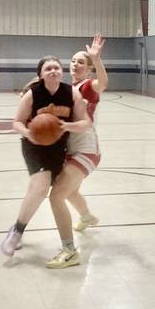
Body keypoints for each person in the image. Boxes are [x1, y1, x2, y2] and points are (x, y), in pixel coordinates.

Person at [1, 56, 91, 262]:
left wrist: (68, 126)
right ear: (40, 74)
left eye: (56, 67)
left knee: (41, 189)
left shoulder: (72, 93)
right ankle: (17, 232)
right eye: (48, 68)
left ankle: (86, 216)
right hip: (33, 145)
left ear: (61, 72)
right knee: (41, 186)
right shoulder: (32, 94)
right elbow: (16, 122)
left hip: (58, 148)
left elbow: (85, 122)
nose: (53, 71)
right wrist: (28, 133)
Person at [47, 35, 107, 268]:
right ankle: (87, 217)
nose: (75, 64)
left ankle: (69, 251)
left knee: (56, 195)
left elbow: (102, 83)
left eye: (81, 62)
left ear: (89, 69)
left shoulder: (88, 86)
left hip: (86, 149)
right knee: (70, 191)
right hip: (70, 149)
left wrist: (97, 59)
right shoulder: (67, 89)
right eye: (73, 61)